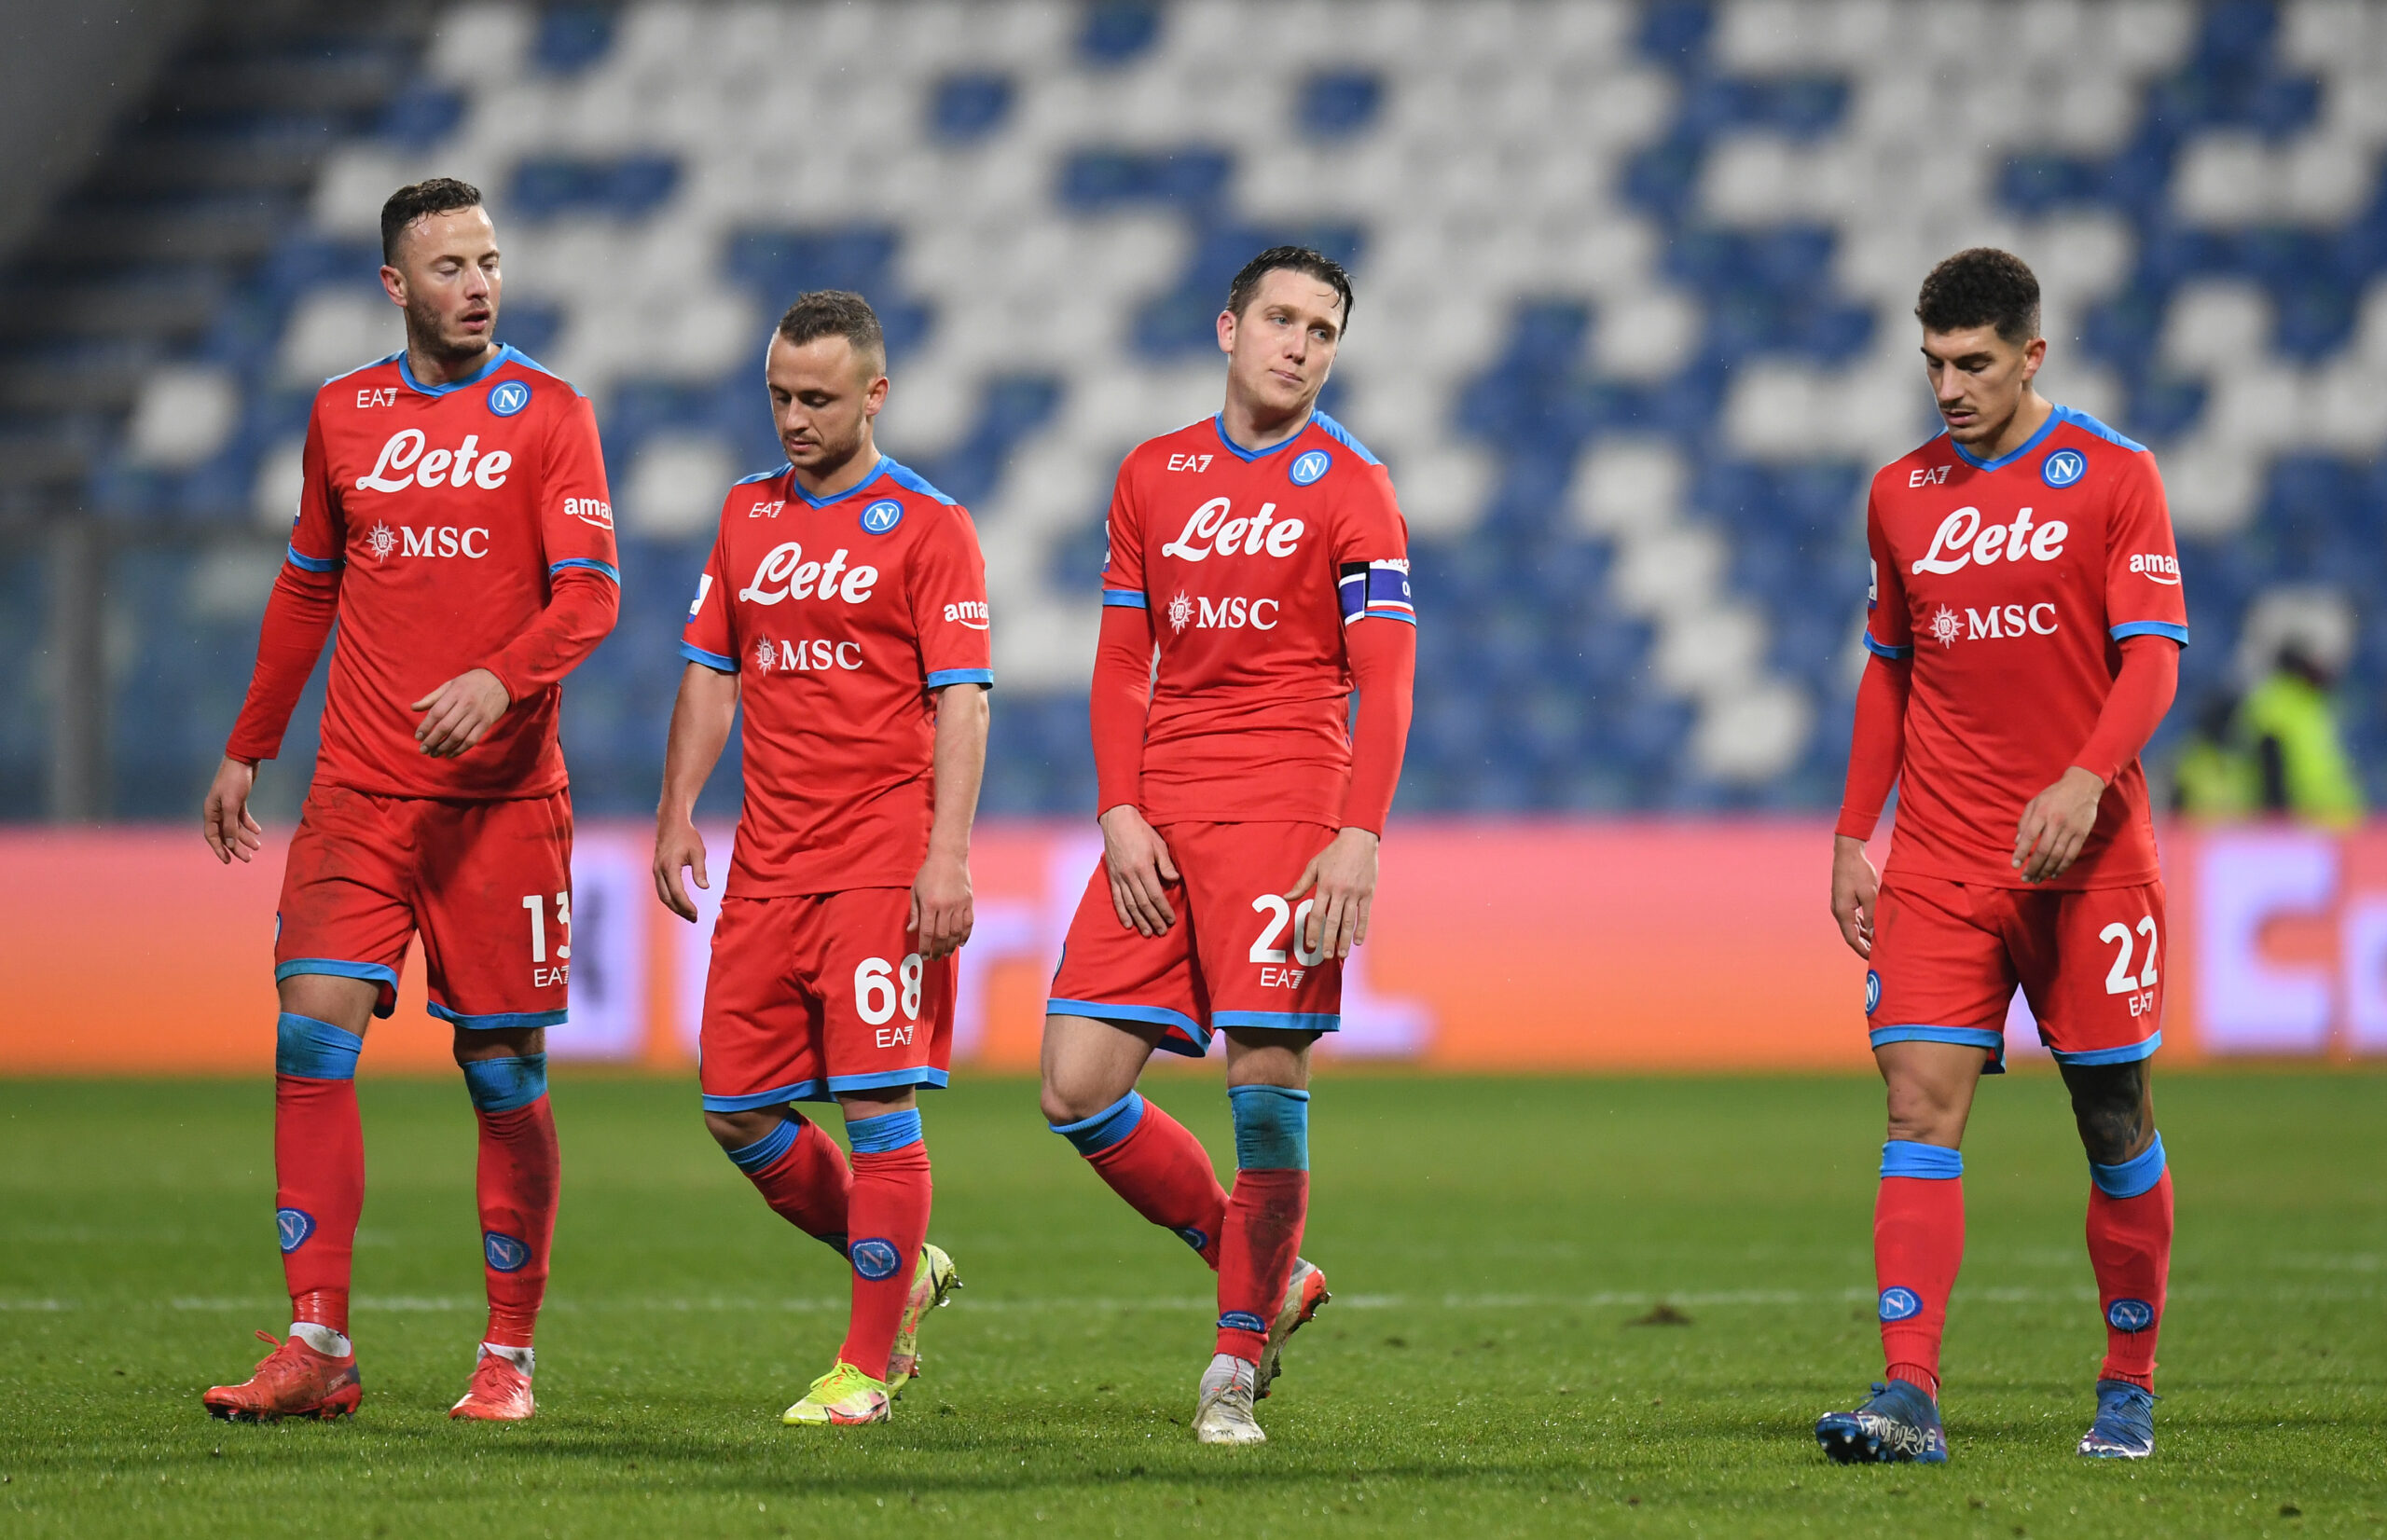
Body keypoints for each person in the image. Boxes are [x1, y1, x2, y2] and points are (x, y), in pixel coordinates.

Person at [200, 177, 619, 1423]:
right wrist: (249, 744)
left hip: (502, 804)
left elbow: (591, 595)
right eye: (450, 267)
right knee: (309, 1036)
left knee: (501, 1071)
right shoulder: (343, 412)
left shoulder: (553, 414)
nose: (478, 285)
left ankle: (508, 1353)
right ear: (395, 284)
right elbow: (307, 586)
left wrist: (501, 678)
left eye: (488, 261)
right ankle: (317, 1342)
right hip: (361, 790)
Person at [1037, 246, 1415, 1446]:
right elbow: (1121, 658)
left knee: (1265, 1083)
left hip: (1288, 808)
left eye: (1322, 329)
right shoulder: (1154, 473)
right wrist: (1117, 806)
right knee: (1074, 1084)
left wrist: (1356, 833)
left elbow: (1386, 677)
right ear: (1228, 328)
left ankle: (1233, 1366)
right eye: (1280, 319)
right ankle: (1259, 1264)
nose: (1298, 344)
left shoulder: (1353, 485)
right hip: (1159, 814)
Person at [1819, 248, 2186, 1463]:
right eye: (1932, 363)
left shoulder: (2116, 475)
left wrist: (2086, 776)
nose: (1948, 387)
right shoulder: (1899, 494)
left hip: (2089, 859)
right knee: (1917, 1102)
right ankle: (1907, 1392)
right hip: (1939, 859)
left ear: (2032, 355)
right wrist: (1852, 834)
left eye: (1972, 363)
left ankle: (2126, 1384)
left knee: (2112, 1113)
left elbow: (2153, 659)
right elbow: (1889, 673)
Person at [654, 290, 988, 1427]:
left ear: (875, 394)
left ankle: (865, 1366)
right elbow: (713, 670)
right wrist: (677, 808)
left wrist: (945, 856)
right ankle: (905, 1265)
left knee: (877, 1107)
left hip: (880, 863)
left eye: (818, 399)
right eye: (779, 396)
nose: (794, 419)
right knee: (735, 1111)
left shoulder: (930, 524)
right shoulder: (746, 513)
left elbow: (963, 701)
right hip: (768, 863)